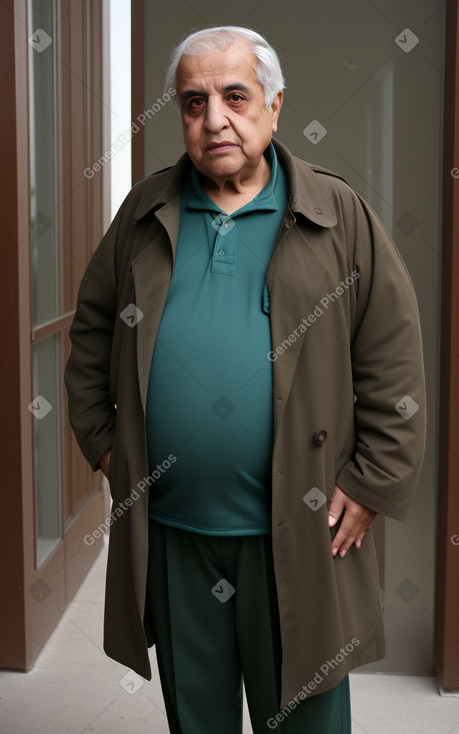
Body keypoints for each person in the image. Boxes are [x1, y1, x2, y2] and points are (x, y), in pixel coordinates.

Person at [65, 25, 426, 734]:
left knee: (305, 716)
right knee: (196, 719)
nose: (214, 118)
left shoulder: (335, 213)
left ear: (275, 104)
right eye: (193, 102)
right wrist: (111, 450)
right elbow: (89, 337)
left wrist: (374, 478)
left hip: (301, 530)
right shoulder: (141, 215)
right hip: (173, 530)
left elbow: (392, 356)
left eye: (235, 95)